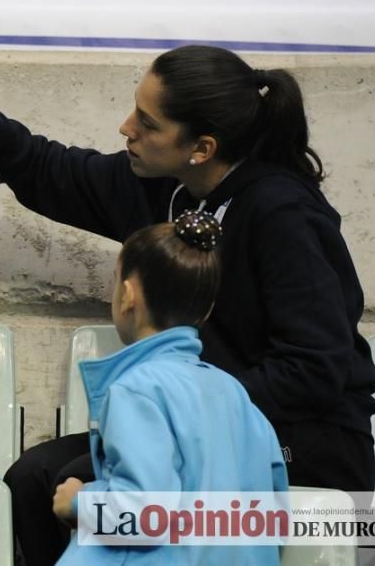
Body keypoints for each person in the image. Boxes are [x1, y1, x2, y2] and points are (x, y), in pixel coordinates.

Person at [0, 44, 375, 565]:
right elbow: (67, 176)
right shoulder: (174, 188)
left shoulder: (285, 214)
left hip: (300, 443)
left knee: (70, 482)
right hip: (196, 420)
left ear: (202, 147)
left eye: (148, 122)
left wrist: (189, 408)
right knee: (34, 477)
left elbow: (313, 370)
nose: (127, 127)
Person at [51, 211, 287, 565]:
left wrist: (80, 501)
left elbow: (146, 512)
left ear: (128, 295)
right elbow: (274, 511)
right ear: (206, 311)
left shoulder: (137, 390)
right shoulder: (235, 393)